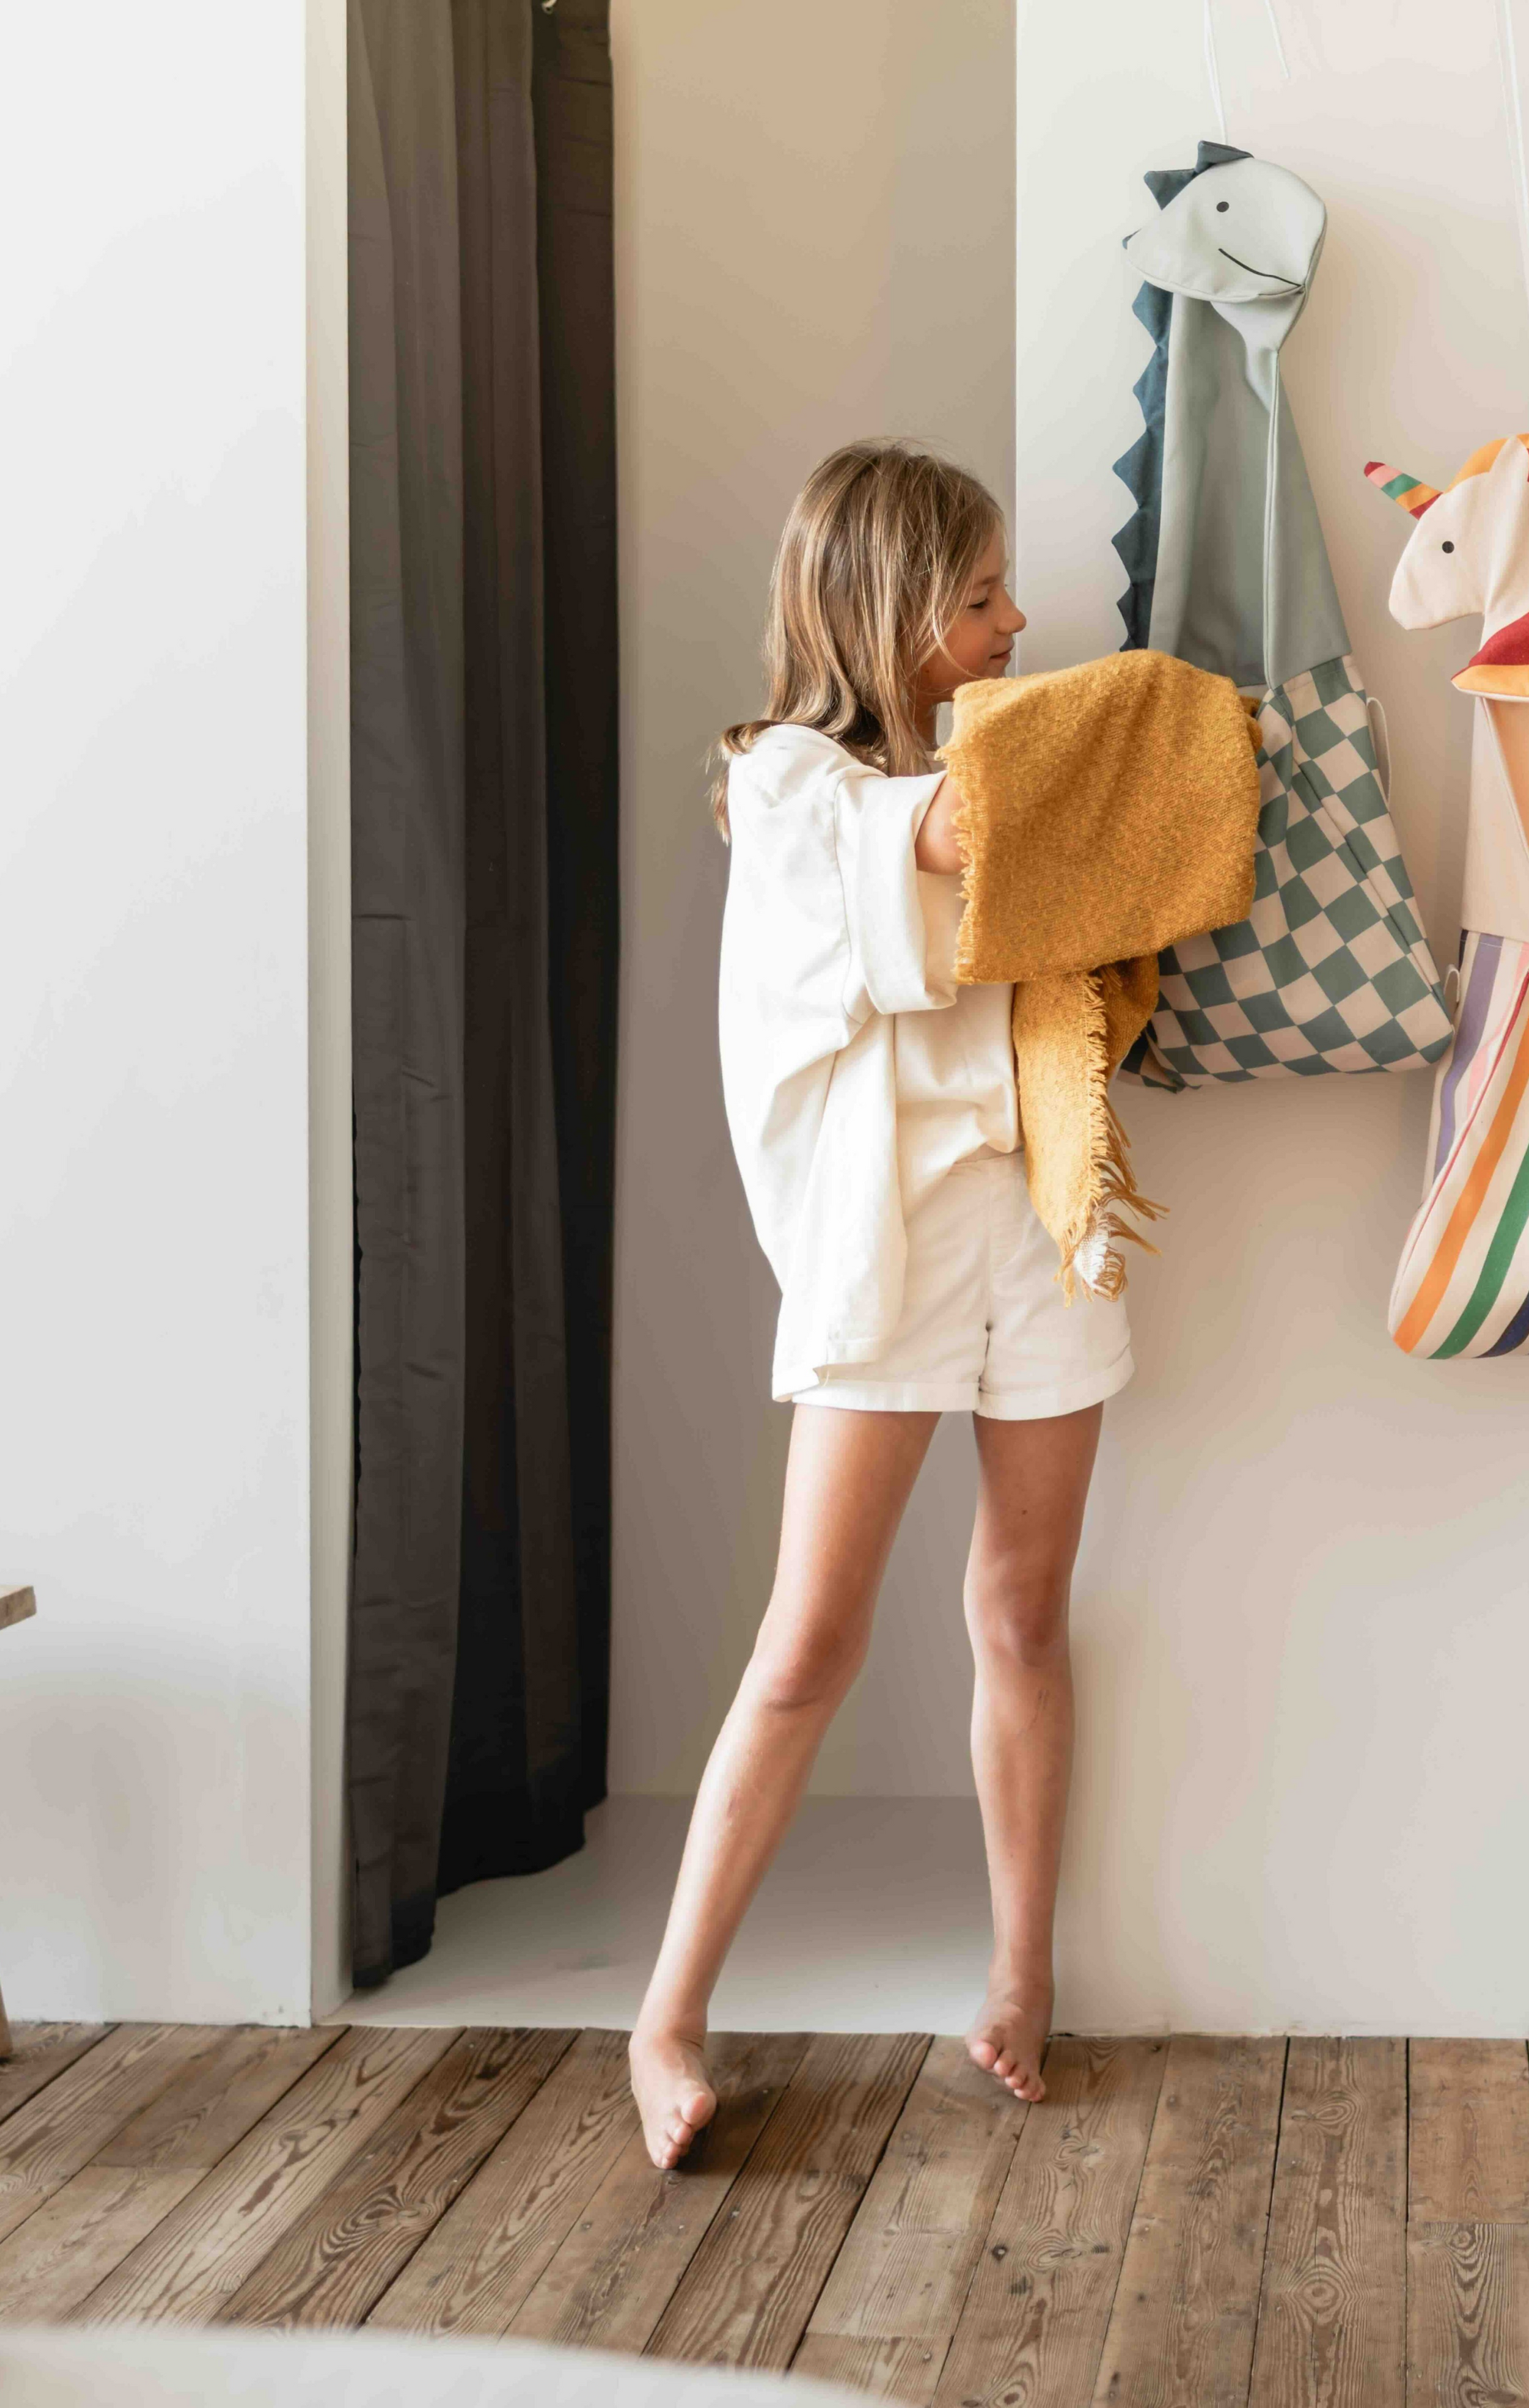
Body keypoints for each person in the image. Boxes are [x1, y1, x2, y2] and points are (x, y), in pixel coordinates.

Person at [630, 442, 1126, 2170]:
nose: (1014, 621)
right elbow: (935, 834)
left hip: (1033, 1233)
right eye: (981, 597)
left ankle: (1019, 1975)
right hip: (886, 1251)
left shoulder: (976, 757)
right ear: (894, 616)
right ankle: (669, 2012)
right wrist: (1139, 729)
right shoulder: (785, 781)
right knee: (807, 1647)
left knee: (1023, 1615)